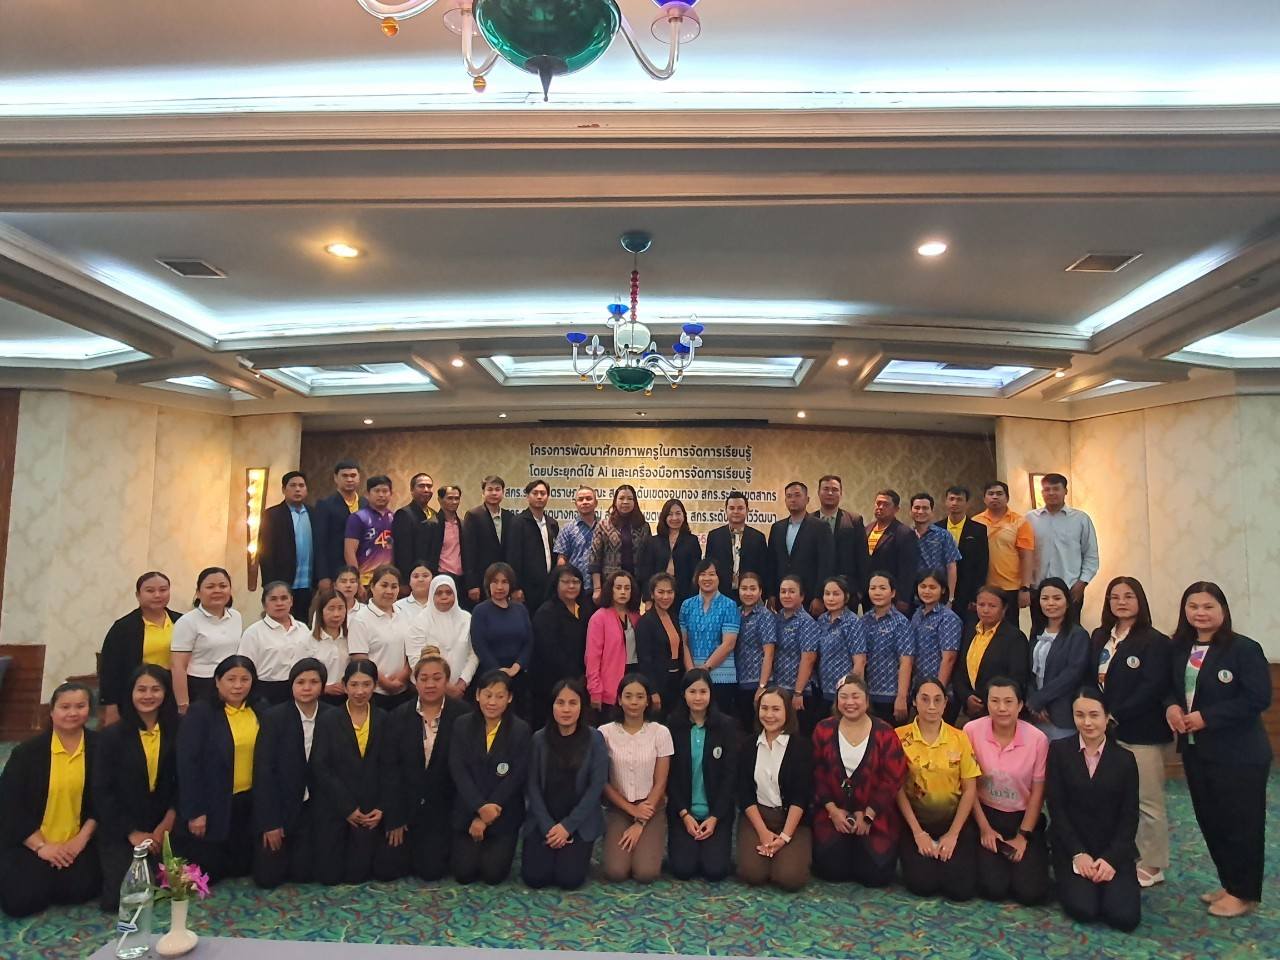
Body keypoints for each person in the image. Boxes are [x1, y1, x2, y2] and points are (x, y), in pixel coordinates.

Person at [1165, 581, 1271, 918]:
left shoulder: (1244, 649)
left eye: (1208, 606)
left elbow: (1258, 698)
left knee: (1241, 824)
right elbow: (1169, 689)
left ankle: (1244, 892)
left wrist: (1207, 717)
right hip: (1196, 751)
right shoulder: (1179, 648)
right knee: (1211, 821)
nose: (1200, 613)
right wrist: (1171, 707)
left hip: (1239, 754)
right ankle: (1229, 882)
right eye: (1193, 606)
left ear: (1223, 610)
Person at [1090, 576, 1171, 888]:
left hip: (1141, 730)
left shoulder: (1154, 641)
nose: (1121, 602)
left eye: (1128, 596)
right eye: (1115, 597)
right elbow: (1090, 679)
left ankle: (1153, 863)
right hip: (1103, 731)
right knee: (1114, 797)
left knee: (1147, 800)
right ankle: (1123, 853)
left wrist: (1115, 714)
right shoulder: (1100, 636)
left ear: (1140, 601)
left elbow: (1153, 686)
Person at [0, 682, 100, 918]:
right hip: (32, 841)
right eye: (65, 707)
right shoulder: (27, 753)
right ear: (52, 711)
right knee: (20, 903)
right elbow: (9, 805)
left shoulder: (100, 748)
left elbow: (104, 800)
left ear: (89, 710)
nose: (73, 713)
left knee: (80, 890)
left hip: (77, 841)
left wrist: (79, 841)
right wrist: (42, 847)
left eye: (80, 706)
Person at [1047, 688, 1141, 932]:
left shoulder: (1125, 759)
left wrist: (1111, 858)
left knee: (1124, 917)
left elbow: (1130, 816)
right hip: (1073, 847)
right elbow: (1056, 808)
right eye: (1080, 715)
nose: (1087, 722)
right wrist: (1078, 853)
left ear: (1107, 716)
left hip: (1112, 848)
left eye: (1094, 715)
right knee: (1084, 909)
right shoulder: (1059, 751)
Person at [94, 665, 179, 911]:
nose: (148, 695)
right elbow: (102, 791)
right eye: (141, 689)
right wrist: (132, 833)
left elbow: (185, 780)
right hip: (124, 826)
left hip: (166, 823)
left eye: (155, 689)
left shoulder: (179, 728)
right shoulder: (111, 736)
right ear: (130, 693)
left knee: (179, 883)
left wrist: (166, 824)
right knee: (120, 899)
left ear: (166, 693)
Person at [382, 653, 471, 882]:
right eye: (424, 678)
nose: (430, 684)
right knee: (388, 870)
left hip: (443, 808)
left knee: (431, 871)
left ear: (446, 680)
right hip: (406, 805)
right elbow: (390, 770)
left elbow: (466, 771)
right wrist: (395, 817)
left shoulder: (464, 715)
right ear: (415, 681)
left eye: (437, 678)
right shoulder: (398, 716)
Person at [811, 675, 906, 887]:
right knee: (831, 871)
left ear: (867, 699)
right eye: (844, 697)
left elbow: (893, 778)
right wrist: (832, 810)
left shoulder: (885, 733)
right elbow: (817, 773)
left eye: (856, 696)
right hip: (833, 813)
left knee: (875, 876)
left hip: (875, 815)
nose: (850, 702)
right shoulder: (823, 729)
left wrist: (869, 814)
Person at [173, 655, 260, 883]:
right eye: (231, 679)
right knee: (208, 874)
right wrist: (195, 812)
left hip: (247, 802)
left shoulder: (259, 710)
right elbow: (188, 765)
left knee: (243, 870)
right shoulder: (200, 713)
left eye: (245, 679)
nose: (238, 686)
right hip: (213, 804)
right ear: (217, 681)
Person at [964, 678, 1051, 905]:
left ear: (1020, 705)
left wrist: (1023, 836)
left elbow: (1038, 793)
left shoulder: (1037, 739)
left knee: (1030, 893)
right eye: (995, 701)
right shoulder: (971, 731)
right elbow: (968, 786)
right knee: (993, 888)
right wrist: (985, 829)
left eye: (1008, 702)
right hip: (984, 815)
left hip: (1022, 818)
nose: (1001, 708)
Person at [895, 678, 980, 901]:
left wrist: (953, 834)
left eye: (937, 700)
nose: (931, 706)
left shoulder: (959, 738)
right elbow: (897, 788)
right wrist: (917, 833)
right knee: (923, 885)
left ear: (945, 704)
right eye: (924, 699)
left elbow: (969, 789)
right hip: (915, 822)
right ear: (914, 701)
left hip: (953, 821)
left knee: (960, 890)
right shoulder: (899, 737)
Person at [311, 660, 395, 885]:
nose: (360, 691)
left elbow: (389, 767)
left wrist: (381, 807)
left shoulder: (384, 719)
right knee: (329, 876)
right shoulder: (328, 719)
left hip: (370, 808)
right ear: (344, 685)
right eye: (354, 685)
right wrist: (347, 808)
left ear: (375, 685)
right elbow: (321, 766)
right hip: (336, 805)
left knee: (360, 875)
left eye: (366, 684)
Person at [251, 658, 332, 888]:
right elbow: (264, 772)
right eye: (300, 682)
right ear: (292, 685)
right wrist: (270, 823)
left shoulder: (332, 716)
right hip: (281, 805)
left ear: (322, 686)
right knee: (267, 879)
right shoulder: (274, 717)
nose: (307, 688)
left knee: (307, 875)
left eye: (313, 682)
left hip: (316, 806)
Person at [521, 678, 609, 890]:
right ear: (552, 706)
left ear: (582, 706)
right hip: (544, 820)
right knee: (535, 878)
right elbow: (532, 787)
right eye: (560, 703)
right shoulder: (538, 739)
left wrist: (567, 827)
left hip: (579, 821)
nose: (566, 709)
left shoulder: (595, 739)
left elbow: (596, 787)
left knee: (569, 879)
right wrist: (548, 827)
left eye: (573, 703)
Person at [449, 670, 532, 885]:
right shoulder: (461, 725)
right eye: (487, 695)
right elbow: (459, 771)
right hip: (468, 811)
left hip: (502, 812)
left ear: (509, 698)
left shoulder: (521, 730)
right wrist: (479, 808)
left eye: (499, 696)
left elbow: (516, 776)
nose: (492, 702)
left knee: (492, 875)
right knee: (463, 874)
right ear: (477, 695)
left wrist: (488, 814)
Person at [735, 686, 812, 891]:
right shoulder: (748, 746)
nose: (769, 715)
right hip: (758, 816)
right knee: (752, 874)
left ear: (788, 712)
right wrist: (762, 832)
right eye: (764, 708)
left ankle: (784, 853)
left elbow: (801, 796)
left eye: (776, 709)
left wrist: (784, 837)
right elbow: (744, 793)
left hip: (791, 819)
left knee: (789, 878)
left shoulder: (801, 747)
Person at [599, 674, 673, 883]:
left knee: (645, 873)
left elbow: (660, 782)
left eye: (640, 697)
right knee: (615, 872)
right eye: (628, 696)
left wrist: (640, 820)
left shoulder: (660, 732)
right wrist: (632, 810)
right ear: (619, 699)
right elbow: (603, 782)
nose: (634, 702)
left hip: (651, 807)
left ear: (647, 701)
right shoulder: (604, 733)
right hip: (619, 807)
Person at [666, 669, 738, 881]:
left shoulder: (726, 726)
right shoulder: (673, 726)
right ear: (683, 694)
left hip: (716, 813)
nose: (698, 697)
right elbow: (669, 775)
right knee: (682, 870)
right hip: (684, 812)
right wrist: (684, 814)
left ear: (711, 694)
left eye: (703, 692)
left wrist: (715, 817)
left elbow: (730, 776)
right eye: (692, 691)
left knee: (715, 871)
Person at [99, 571, 181, 726]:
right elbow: (110, 669)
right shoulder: (124, 627)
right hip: (139, 693)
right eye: (150, 590)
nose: (157, 595)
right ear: (138, 595)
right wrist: (111, 705)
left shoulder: (182, 622)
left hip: (175, 693)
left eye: (163, 590)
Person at [170, 567, 243, 714]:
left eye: (223, 586)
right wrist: (183, 704)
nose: (217, 590)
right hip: (200, 686)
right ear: (198, 592)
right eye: (210, 587)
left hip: (230, 685)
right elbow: (178, 666)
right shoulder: (187, 621)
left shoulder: (236, 616)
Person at [1027, 474, 1098, 621]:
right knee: (1039, 631)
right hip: (1038, 590)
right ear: (1042, 493)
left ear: (1065, 491)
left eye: (1056, 489)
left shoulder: (1080, 519)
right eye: (1047, 489)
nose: (1051, 493)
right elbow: (1023, 554)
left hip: (1070, 589)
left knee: (1071, 631)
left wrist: (1082, 583)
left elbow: (1091, 554)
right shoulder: (1030, 519)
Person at [1027, 577, 1091, 741]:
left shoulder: (1078, 635)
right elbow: (1029, 671)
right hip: (1035, 714)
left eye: (1057, 598)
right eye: (1045, 598)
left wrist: (1039, 699)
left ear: (1067, 602)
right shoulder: (1037, 632)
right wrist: (1033, 700)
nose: (1050, 603)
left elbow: (1072, 674)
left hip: (1062, 712)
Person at [953, 587, 1029, 722]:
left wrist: (988, 700)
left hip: (999, 710)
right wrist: (966, 696)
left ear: (1004, 609)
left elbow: (1017, 678)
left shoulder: (1014, 638)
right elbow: (959, 669)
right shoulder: (970, 630)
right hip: (970, 707)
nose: (986, 610)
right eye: (981, 605)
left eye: (992, 606)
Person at [470, 562, 535, 720]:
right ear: (488, 584)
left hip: (519, 675)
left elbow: (529, 640)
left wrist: (517, 666)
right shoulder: (480, 611)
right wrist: (499, 671)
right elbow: (479, 644)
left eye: (504, 582)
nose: (500, 587)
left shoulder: (520, 609)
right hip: (490, 676)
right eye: (495, 582)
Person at [531, 565, 594, 724]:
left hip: (583, 678)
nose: (571, 586)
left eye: (576, 582)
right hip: (552, 681)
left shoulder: (586, 609)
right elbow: (549, 651)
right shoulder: (546, 612)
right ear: (556, 584)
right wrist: (575, 675)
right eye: (565, 582)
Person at [679, 559, 741, 716]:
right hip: (692, 675)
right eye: (703, 574)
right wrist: (692, 672)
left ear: (719, 577)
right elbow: (683, 642)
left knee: (720, 721)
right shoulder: (686, 605)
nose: (707, 578)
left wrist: (706, 668)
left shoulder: (729, 605)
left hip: (722, 676)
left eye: (712, 574)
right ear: (696, 577)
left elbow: (728, 644)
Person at [762, 573, 822, 733]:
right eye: (783, 591)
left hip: (799, 692)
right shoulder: (776, 618)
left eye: (791, 591)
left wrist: (798, 692)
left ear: (802, 596)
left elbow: (808, 659)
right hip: (778, 688)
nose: (786, 595)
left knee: (797, 736)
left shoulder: (807, 622)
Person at [347, 564, 412, 710]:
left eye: (394, 586)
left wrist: (401, 678)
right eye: (384, 585)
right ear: (372, 586)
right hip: (374, 693)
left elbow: (412, 651)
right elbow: (360, 657)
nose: (389, 591)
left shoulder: (404, 614)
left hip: (403, 690)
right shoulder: (360, 619)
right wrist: (386, 683)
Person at [238, 581, 311, 705]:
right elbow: (245, 668)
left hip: (299, 689)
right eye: (273, 599)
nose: (279, 603)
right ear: (264, 604)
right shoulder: (253, 632)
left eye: (284, 598)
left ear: (291, 601)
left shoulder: (302, 628)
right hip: (266, 692)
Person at [406, 574, 477, 700]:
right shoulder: (419, 621)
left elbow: (474, 653)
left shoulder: (467, 619)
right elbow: (415, 659)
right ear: (431, 595)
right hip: (428, 689)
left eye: (449, 592)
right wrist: (445, 686)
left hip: (462, 691)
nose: (444, 596)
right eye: (439, 593)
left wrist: (463, 682)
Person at [767, 481, 833, 615]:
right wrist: (771, 594)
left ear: (807, 499)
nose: (793, 499)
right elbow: (771, 563)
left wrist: (819, 596)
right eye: (789, 496)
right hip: (782, 597)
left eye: (797, 495)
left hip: (810, 598)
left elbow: (826, 564)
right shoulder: (777, 528)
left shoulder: (820, 527)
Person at [973, 481, 1035, 623]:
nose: (995, 497)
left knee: (1010, 628)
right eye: (991, 494)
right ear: (984, 498)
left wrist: (1025, 588)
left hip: (1011, 587)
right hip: (984, 586)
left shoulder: (1020, 522)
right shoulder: (976, 521)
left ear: (1007, 498)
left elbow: (1027, 557)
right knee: (984, 627)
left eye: (999, 494)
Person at [257, 470, 315, 621]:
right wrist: (269, 584)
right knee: (278, 622)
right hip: (282, 582)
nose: (297, 489)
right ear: (283, 489)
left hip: (308, 583)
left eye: (301, 486)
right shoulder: (272, 515)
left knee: (302, 623)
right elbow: (265, 552)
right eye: (293, 485)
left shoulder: (314, 513)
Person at [586, 571, 642, 719]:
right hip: (609, 686)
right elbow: (592, 658)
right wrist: (595, 690)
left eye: (627, 588)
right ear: (610, 589)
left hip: (634, 677)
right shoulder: (599, 618)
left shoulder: (636, 616)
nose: (623, 592)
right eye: (618, 587)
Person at [860, 572, 914, 724]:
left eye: (882, 588)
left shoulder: (901, 623)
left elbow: (906, 662)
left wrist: (901, 697)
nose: (877, 592)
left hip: (892, 696)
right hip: (868, 695)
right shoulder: (863, 621)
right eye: (873, 588)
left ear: (893, 593)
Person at [811, 576, 866, 717]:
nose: (831, 598)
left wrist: (850, 690)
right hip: (823, 689)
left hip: (844, 693)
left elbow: (860, 662)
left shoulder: (852, 622)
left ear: (846, 597)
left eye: (836, 594)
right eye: (827, 594)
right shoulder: (822, 620)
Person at [812, 475, 869, 610]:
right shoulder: (809, 521)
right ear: (818, 492)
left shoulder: (854, 520)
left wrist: (860, 591)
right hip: (815, 594)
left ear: (841, 493)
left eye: (835, 489)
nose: (830, 493)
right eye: (826, 489)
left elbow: (862, 557)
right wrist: (816, 595)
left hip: (847, 592)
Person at [590, 484, 652, 604]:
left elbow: (648, 560)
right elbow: (594, 559)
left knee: (632, 614)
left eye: (630, 498)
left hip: (635, 584)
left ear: (635, 502)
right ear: (615, 501)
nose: (625, 502)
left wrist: (647, 593)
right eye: (621, 498)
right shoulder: (603, 525)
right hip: (610, 584)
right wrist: (597, 588)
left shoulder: (643, 526)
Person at [705, 491, 770, 604]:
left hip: (749, 595)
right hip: (720, 595)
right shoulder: (714, 536)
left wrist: (763, 596)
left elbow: (764, 569)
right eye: (732, 508)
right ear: (726, 510)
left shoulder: (758, 537)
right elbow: (709, 568)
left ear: (747, 510)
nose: (736, 511)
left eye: (740, 508)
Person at [462, 475, 517, 607]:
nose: (494, 493)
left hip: (504, 579)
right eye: (490, 489)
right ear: (483, 493)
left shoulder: (509, 516)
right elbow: (468, 551)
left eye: (497, 489)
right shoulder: (473, 515)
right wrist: (472, 584)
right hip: (481, 579)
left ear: (503, 492)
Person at [635, 572, 684, 718]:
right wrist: (653, 690)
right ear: (652, 594)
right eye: (661, 592)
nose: (665, 596)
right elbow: (645, 660)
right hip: (659, 684)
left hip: (677, 680)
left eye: (670, 592)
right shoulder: (645, 622)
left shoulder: (674, 617)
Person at [312, 460, 366, 592]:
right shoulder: (325, 505)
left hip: (364, 570)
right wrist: (323, 576)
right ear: (336, 478)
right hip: (335, 571)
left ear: (359, 478)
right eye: (345, 476)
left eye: (353, 475)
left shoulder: (366, 504)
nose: (349, 479)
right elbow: (319, 543)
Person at [638, 498, 702, 605]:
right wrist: (648, 599)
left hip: (684, 596)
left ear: (684, 516)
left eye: (678, 513)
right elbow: (646, 573)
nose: (674, 518)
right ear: (664, 517)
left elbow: (695, 573)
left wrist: (693, 599)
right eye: (670, 514)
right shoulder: (653, 542)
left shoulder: (692, 541)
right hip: (658, 596)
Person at [864, 490, 920, 615]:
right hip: (869, 593)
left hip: (893, 596)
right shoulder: (867, 529)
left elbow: (908, 569)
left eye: (886, 504)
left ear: (896, 509)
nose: (880, 507)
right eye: (878, 503)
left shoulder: (904, 533)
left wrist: (903, 598)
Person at [733, 572, 777, 728]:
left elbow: (769, 653)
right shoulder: (735, 613)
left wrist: (762, 686)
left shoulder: (765, 616)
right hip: (737, 680)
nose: (748, 593)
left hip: (757, 683)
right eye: (744, 588)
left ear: (760, 591)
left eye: (753, 588)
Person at [936, 485, 988, 615]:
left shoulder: (978, 530)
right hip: (941, 588)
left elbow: (982, 564)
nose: (954, 503)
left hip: (968, 591)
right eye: (951, 499)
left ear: (967, 503)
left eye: (959, 499)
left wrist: (976, 595)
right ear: (946, 502)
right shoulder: (936, 528)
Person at [909, 570, 961, 696]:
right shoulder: (917, 614)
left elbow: (949, 658)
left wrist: (938, 691)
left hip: (938, 688)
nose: (927, 591)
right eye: (923, 586)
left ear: (943, 590)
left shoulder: (948, 618)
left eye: (932, 587)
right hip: (918, 685)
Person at [512, 479, 560, 611]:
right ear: (527, 496)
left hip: (549, 588)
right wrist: (515, 588)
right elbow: (513, 557)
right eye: (535, 493)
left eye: (543, 493)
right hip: (527, 589)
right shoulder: (518, 522)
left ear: (548, 497)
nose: (539, 496)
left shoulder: (552, 524)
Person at [345, 475, 396, 592]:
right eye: (377, 491)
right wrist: (356, 582)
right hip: (364, 582)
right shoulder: (358, 517)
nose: (381, 495)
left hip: (387, 580)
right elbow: (349, 552)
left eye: (385, 491)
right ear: (367, 494)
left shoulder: (394, 518)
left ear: (391, 494)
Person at [908, 494, 960, 604]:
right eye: (917, 508)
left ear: (932, 512)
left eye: (925, 508)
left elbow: (951, 567)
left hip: (937, 594)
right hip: (909, 596)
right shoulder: (905, 534)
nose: (920, 511)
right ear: (910, 511)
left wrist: (950, 598)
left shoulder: (944, 535)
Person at [303, 587, 350, 703]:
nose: (336, 614)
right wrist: (324, 688)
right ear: (321, 611)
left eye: (341, 608)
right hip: (317, 698)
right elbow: (299, 674)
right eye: (331, 609)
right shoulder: (307, 640)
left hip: (346, 697)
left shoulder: (350, 638)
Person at [392, 472, 437, 591]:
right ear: (412, 490)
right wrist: (405, 581)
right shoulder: (404, 514)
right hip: (411, 579)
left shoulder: (435, 514)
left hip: (432, 576)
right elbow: (402, 552)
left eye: (429, 486)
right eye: (421, 486)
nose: (426, 490)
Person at [553, 485, 599, 578]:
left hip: (601, 582)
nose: (584, 502)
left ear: (596, 503)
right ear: (576, 504)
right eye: (580, 499)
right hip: (575, 582)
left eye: (588, 498)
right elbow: (562, 559)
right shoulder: (567, 529)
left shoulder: (604, 527)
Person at [424, 484, 466, 586]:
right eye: (450, 498)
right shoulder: (430, 525)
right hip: (440, 576)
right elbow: (425, 556)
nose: (454, 502)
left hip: (462, 578)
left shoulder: (464, 524)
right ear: (440, 500)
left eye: (457, 498)